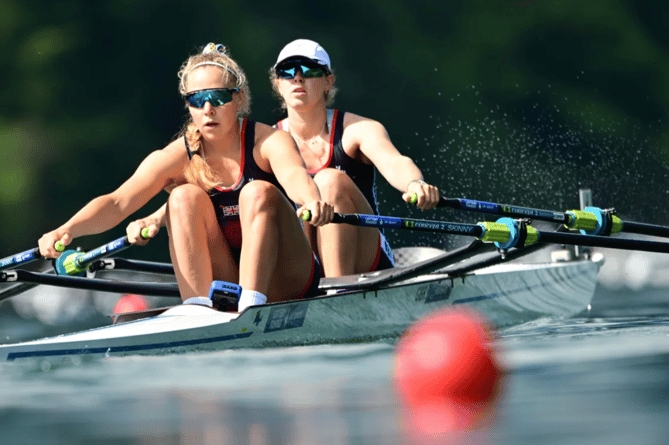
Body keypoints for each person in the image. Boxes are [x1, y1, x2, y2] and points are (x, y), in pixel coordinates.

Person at [38, 43, 334, 312]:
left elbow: (295, 175)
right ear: (188, 105)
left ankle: (250, 305)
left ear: (239, 98)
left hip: (289, 276)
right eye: (197, 99)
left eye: (218, 97)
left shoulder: (268, 142)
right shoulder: (177, 156)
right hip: (230, 279)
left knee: (257, 192)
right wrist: (68, 229)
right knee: (182, 197)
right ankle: (197, 308)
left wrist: (312, 200)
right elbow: (118, 202)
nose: (208, 109)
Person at [270, 39, 440, 277]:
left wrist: (415, 183)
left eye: (309, 70)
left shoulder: (357, 129)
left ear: (328, 81)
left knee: (329, 180)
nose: (298, 78)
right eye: (287, 71)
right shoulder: (268, 142)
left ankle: (338, 290)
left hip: (366, 257)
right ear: (278, 83)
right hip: (301, 260)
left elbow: (394, 162)